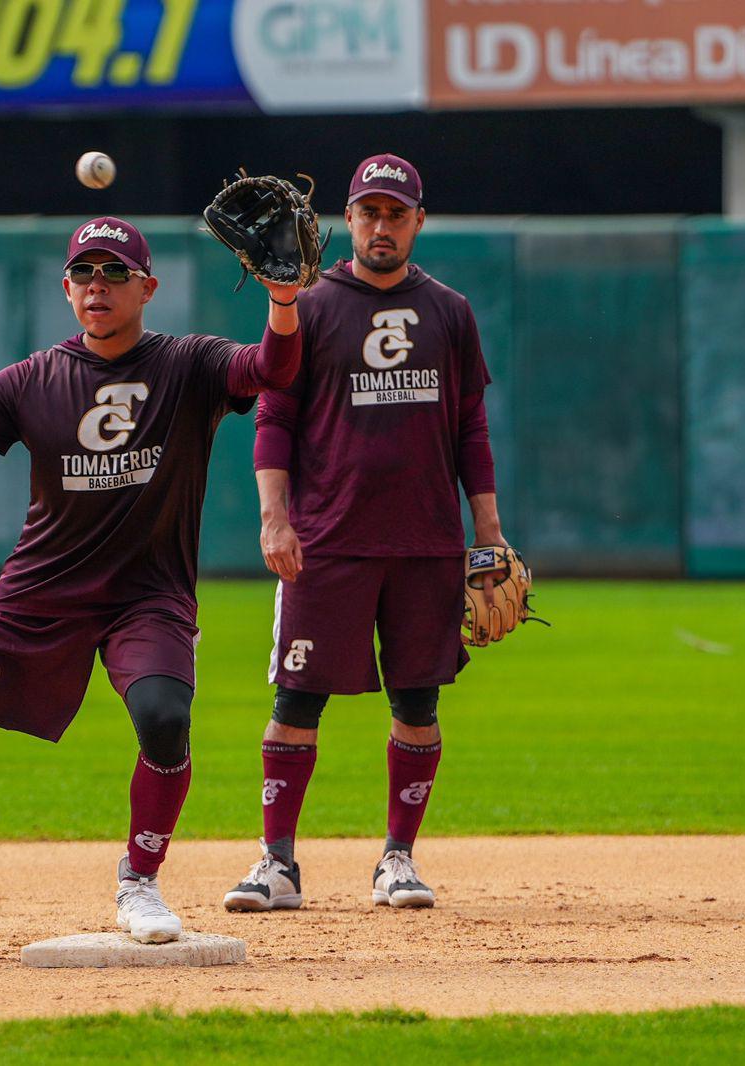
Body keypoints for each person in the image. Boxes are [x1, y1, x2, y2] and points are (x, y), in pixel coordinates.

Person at [0, 216, 301, 948]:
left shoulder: (189, 364)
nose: (98, 286)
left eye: (116, 273)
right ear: (65, 289)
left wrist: (283, 300)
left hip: (146, 596)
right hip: (39, 597)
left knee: (164, 719)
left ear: (148, 287)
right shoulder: (32, 379)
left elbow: (273, 371)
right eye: (85, 273)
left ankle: (140, 881)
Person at [221, 155, 504, 912]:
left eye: (397, 213)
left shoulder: (450, 310)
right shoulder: (309, 306)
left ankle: (398, 861)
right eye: (369, 212)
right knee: (297, 700)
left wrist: (489, 534)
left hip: (425, 542)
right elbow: (273, 418)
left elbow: (471, 429)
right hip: (328, 541)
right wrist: (274, 518)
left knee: (418, 704)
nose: (382, 226)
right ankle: (276, 863)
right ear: (347, 220)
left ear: (418, 221)